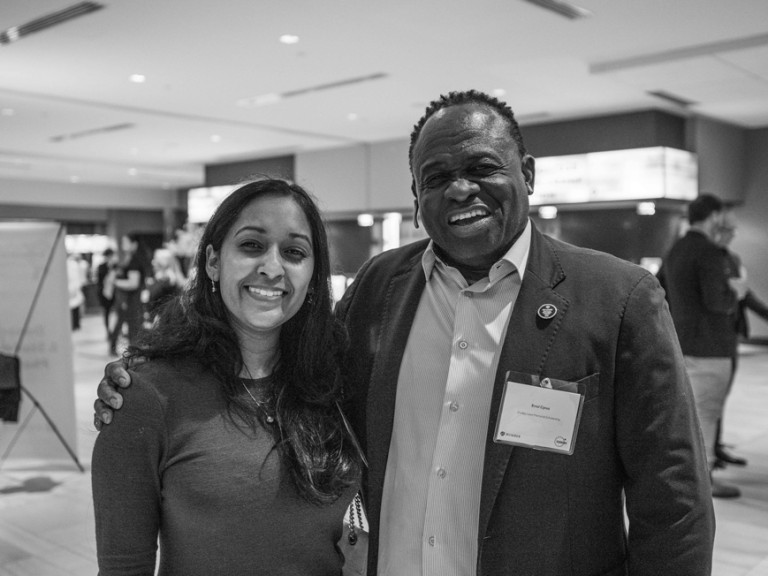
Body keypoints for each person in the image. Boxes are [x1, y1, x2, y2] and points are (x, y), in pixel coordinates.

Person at [95, 90, 714, 575]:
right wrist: (141, 373)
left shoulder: (619, 298)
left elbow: (675, 502)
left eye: (483, 167)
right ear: (416, 197)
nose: (461, 188)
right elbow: (286, 359)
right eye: (437, 177)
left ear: (527, 172)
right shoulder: (379, 288)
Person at [91, 179, 363, 575]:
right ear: (213, 261)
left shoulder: (330, 384)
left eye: (294, 252)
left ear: (312, 275)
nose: (272, 267)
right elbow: (122, 568)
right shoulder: (145, 397)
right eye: (252, 245)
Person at [662, 194, 745, 499]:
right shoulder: (709, 252)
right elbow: (716, 302)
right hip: (711, 346)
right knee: (706, 415)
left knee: (692, 414)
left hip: (684, 342)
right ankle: (704, 479)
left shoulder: (676, 249)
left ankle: (690, 476)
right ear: (713, 217)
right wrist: (736, 292)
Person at [712, 207, 768, 469]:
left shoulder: (732, 259)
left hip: (729, 337)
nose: (732, 236)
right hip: (708, 342)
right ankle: (709, 450)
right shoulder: (703, 258)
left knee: (721, 395)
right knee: (709, 398)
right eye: (728, 231)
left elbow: (745, 296)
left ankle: (716, 445)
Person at [108, 233, 149, 355]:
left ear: (134, 244)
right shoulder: (131, 258)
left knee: (134, 329)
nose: (123, 245)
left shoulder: (135, 260)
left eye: (125, 242)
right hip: (130, 299)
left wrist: (114, 282)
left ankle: (135, 357)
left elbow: (133, 283)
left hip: (133, 299)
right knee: (131, 328)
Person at [141, 247, 186, 324]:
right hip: (161, 318)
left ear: (163, 262)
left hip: (165, 319)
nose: (153, 262)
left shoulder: (168, 280)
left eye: (156, 260)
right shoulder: (162, 278)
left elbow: (152, 296)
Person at [96, 248, 119, 337]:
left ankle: (115, 330)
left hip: (115, 292)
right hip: (104, 293)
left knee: (118, 312)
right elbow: (100, 280)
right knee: (106, 312)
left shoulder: (116, 266)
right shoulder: (101, 267)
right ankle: (108, 331)